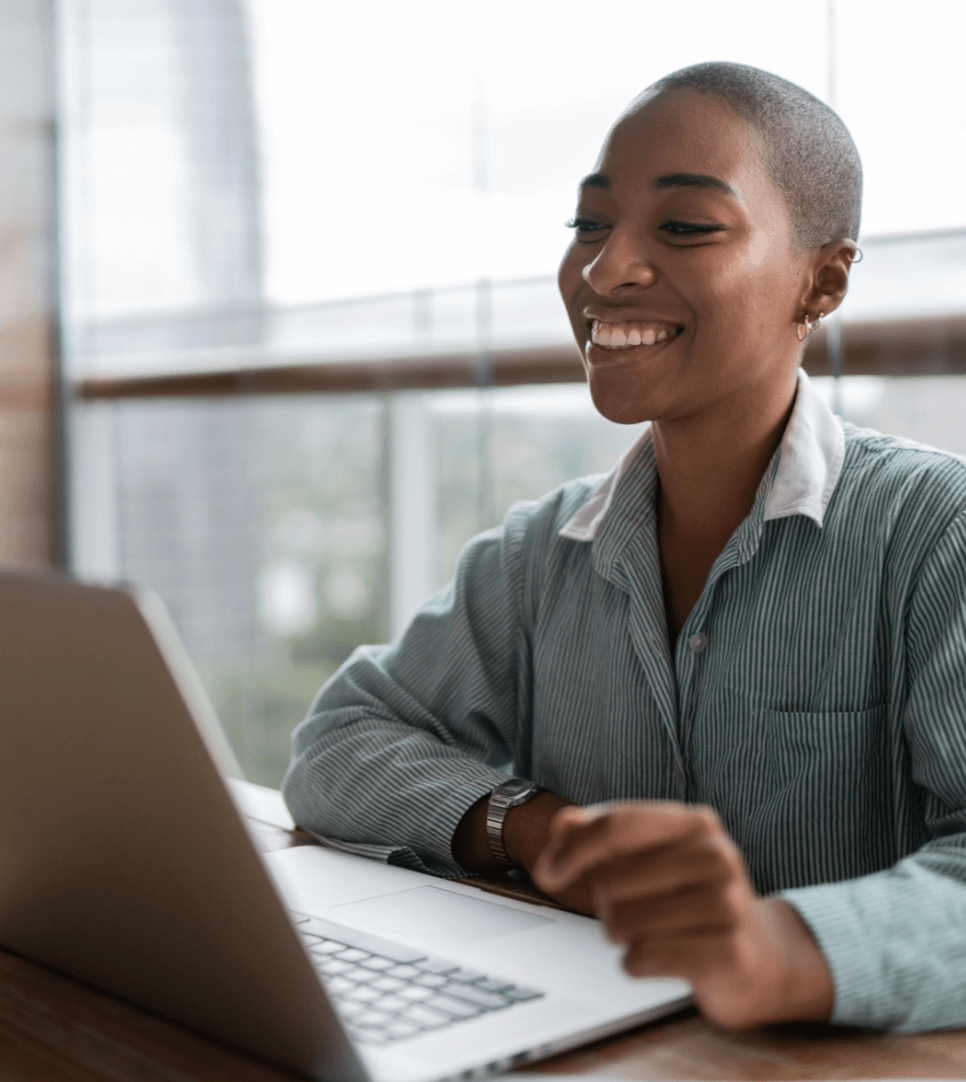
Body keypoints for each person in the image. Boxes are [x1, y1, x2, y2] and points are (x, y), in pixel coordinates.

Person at [283, 62, 966, 1033]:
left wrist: (778, 948)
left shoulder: (935, 532)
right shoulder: (539, 553)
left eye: (684, 226)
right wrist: (536, 828)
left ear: (823, 280)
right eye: (590, 225)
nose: (605, 273)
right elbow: (338, 744)